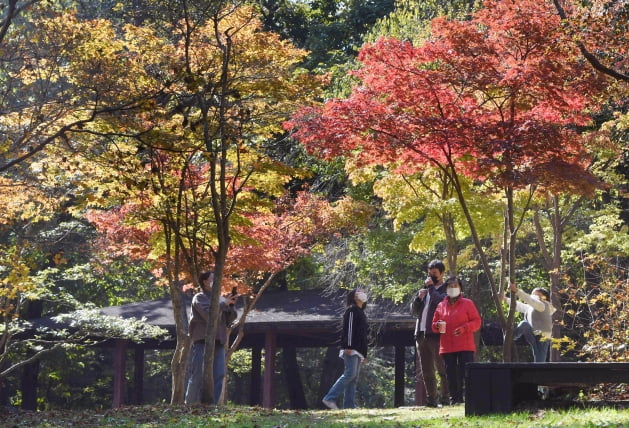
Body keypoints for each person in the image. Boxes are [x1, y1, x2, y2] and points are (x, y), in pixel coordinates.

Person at [185, 270, 238, 405]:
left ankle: (211, 406)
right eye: (213, 278)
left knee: (219, 374)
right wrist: (223, 304)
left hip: (219, 341)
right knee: (197, 374)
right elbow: (209, 315)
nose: (216, 281)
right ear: (205, 281)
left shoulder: (220, 299)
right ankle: (190, 404)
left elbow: (229, 319)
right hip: (202, 340)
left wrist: (230, 305)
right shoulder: (199, 297)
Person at [431, 276, 481, 405]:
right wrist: (438, 325)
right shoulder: (441, 305)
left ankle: (470, 398)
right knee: (450, 374)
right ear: (446, 289)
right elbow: (434, 324)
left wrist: (465, 328)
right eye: (450, 286)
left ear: (460, 288)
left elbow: (477, 322)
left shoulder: (468, 303)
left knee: (466, 372)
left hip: (465, 344)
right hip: (447, 345)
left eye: (455, 286)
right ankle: (455, 399)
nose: (453, 289)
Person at [410, 259, 449, 407]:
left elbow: (441, 303)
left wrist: (432, 288)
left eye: (434, 273)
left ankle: (447, 398)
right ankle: (431, 399)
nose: (431, 276)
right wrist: (418, 298)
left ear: (442, 273)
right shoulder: (425, 289)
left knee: (442, 368)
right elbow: (414, 311)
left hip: (437, 335)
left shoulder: (446, 289)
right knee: (426, 370)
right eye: (429, 273)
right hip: (421, 334)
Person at [322, 289, 369, 410]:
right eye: (358, 292)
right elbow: (349, 329)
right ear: (354, 297)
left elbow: (363, 335)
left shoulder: (361, 312)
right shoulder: (352, 310)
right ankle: (329, 398)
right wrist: (348, 346)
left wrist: (364, 354)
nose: (362, 293)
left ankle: (349, 405)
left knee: (353, 378)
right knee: (349, 374)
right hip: (351, 348)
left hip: (359, 351)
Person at [504, 282, 555, 362]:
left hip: (543, 337)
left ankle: (537, 373)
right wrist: (505, 299)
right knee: (524, 324)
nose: (533, 296)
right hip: (533, 333)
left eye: (536, 295)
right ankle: (511, 337)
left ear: (544, 298)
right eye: (532, 294)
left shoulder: (543, 305)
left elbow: (530, 300)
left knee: (539, 361)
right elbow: (520, 306)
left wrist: (516, 290)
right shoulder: (531, 308)